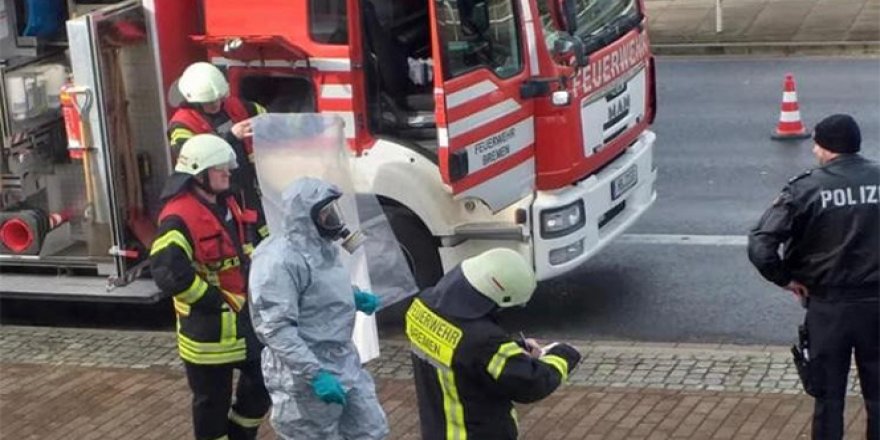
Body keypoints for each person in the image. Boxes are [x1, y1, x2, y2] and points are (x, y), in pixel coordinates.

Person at [748, 114, 879, 440]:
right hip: (877, 307)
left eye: (816, 144)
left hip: (828, 309)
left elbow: (761, 246)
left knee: (828, 398)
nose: (813, 151)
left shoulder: (805, 188)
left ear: (826, 148)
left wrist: (786, 278)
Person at [150, 134, 270, 440]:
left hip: (246, 324)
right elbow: (167, 273)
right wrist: (215, 300)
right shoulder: (179, 217)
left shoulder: (230, 202)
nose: (227, 173)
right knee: (210, 408)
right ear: (199, 174)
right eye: (219, 168)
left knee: (264, 383)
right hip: (208, 336)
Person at [248, 177, 387, 440]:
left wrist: (353, 297)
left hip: (342, 359)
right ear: (306, 217)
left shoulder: (323, 248)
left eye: (333, 211)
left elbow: (320, 287)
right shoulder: (277, 260)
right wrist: (315, 374)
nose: (333, 219)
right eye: (325, 214)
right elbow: (276, 328)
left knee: (370, 430)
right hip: (303, 374)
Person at [405, 247, 583, 440]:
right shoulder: (482, 340)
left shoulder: (422, 305)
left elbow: (459, 352)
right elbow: (531, 383)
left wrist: (515, 349)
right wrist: (562, 353)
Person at [167, 62, 268, 237]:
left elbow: (267, 117)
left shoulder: (236, 107)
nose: (215, 104)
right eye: (208, 102)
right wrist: (231, 136)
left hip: (248, 187)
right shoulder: (182, 124)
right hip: (218, 195)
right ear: (193, 100)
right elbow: (193, 157)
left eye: (218, 98)